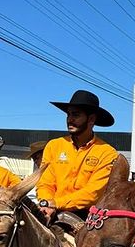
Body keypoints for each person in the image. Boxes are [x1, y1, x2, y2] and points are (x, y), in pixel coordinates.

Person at [36, 90, 118, 221]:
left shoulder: (107, 153)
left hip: (88, 218)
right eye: (68, 114)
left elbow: (92, 193)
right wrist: (46, 203)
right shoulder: (54, 145)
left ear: (91, 119)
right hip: (50, 210)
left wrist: (56, 203)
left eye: (76, 115)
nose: (70, 119)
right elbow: (45, 183)